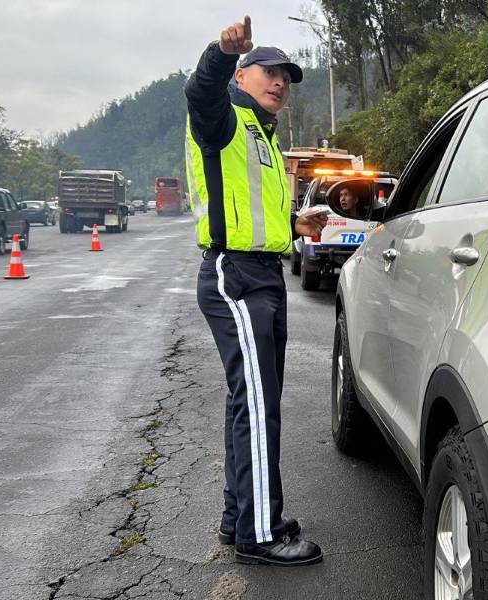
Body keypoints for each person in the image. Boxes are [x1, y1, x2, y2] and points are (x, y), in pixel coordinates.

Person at [184, 15, 328, 567]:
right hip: (235, 276)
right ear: (242, 75)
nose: (280, 82)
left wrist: (297, 226)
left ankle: (237, 515)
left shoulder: (264, 138)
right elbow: (200, 92)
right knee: (260, 405)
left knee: (249, 402)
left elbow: (251, 214)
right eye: (269, 71)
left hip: (264, 273)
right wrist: (221, 52)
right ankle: (261, 533)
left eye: (287, 77)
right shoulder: (222, 117)